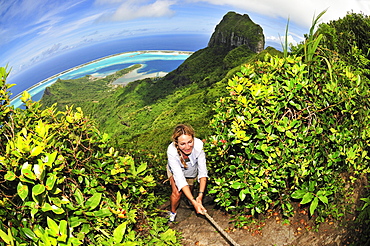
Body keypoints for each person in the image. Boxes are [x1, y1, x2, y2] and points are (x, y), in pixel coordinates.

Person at [166, 124, 208, 222]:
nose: (187, 146)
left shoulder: (199, 145)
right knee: (177, 192)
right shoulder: (171, 151)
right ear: (176, 143)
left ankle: (191, 200)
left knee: (190, 187)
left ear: (193, 139)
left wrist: (200, 195)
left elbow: (203, 172)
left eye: (190, 142)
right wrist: (194, 202)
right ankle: (172, 212)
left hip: (191, 169)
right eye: (183, 144)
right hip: (175, 169)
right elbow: (180, 179)